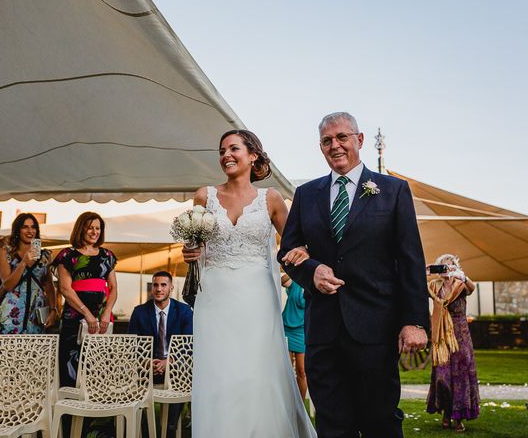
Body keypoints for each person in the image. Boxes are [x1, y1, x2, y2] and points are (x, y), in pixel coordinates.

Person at [278, 111, 430, 437]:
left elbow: (410, 261)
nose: (335, 145)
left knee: (381, 422)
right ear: (320, 147)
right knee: (332, 425)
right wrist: (312, 270)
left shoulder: (393, 191)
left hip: (375, 328)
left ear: (358, 140)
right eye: (326, 141)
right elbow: (288, 252)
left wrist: (415, 321)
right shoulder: (306, 195)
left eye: (342, 137)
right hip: (323, 330)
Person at [182, 129, 316, 437]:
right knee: (219, 371)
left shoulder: (270, 198)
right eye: (221, 151)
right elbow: (194, 246)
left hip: (257, 296)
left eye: (233, 148)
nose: (225, 155)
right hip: (214, 295)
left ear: (252, 155)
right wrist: (189, 251)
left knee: (257, 370)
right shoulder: (204, 195)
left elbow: (296, 245)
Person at [52, 212, 118, 387]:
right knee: (70, 366)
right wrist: (87, 314)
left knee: (98, 366)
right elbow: (65, 289)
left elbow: (113, 288)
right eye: (90, 228)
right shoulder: (67, 255)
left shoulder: (108, 255)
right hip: (74, 317)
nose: (94, 232)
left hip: (102, 318)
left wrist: (106, 313)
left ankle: (96, 412)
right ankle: (68, 410)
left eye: (98, 228)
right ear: (81, 229)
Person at [128, 270, 193, 437]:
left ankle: (171, 426)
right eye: (155, 285)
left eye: (163, 285)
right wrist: (146, 361)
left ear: (171, 288)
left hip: (174, 366)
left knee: (181, 371)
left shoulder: (184, 311)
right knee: (131, 373)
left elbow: (188, 345)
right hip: (146, 367)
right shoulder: (140, 312)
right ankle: (142, 426)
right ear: (152, 289)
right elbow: (132, 345)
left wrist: (169, 362)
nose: (159, 289)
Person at [426, 254, 480, 432]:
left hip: (460, 336)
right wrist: (423, 273)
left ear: (455, 268)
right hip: (441, 336)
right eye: (441, 266)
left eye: (448, 266)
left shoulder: (460, 285)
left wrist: (462, 276)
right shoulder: (434, 286)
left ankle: (457, 418)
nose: (444, 270)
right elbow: (416, 288)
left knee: (460, 376)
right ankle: (446, 412)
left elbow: (472, 288)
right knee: (442, 377)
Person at [0, 213, 57, 334]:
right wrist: (23, 263)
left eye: (33, 227)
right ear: (17, 230)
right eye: (25, 227)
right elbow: (7, 285)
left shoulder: (45, 255)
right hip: (12, 312)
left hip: (36, 314)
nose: (30, 231)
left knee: (32, 351)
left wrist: (53, 310)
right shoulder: (5, 253)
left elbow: (49, 285)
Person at [281, 273, 308, 400]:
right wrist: (294, 270)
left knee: (301, 371)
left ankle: (300, 406)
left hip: (301, 331)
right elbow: (282, 281)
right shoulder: (294, 283)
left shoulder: (311, 286)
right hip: (287, 329)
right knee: (287, 370)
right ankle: (287, 402)